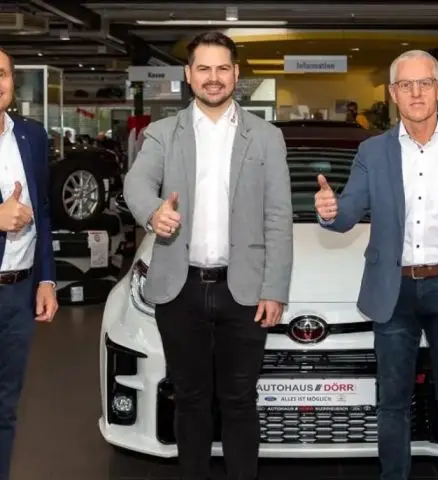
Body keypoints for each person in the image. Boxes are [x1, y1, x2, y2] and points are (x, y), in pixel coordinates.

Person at [315, 49, 438, 480]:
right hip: (393, 292)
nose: (416, 93)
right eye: (405, 85)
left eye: (424, 83)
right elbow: (348, 213)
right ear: (393, 93)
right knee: (392, 402)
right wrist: (329, 210)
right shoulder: (372, 151)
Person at [123, 31, 293, 480]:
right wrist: (152, 211)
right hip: (180, 291)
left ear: (236, 74)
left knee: (240, 401)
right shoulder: (163, 134)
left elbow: (278, 217)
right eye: (203, 68)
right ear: (188, 74)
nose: (213, 78)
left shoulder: (267, 137)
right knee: (191, 400)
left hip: (245, 293)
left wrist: (275, 288)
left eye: (222, 68)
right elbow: (136, 183)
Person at [0, 47, 58, 479]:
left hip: (19, 294)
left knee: (5, 406)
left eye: (1, 74)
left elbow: (43, 210)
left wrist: (46, 280)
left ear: (12, 82)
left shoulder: (32, 136)